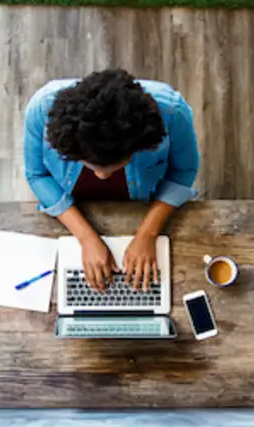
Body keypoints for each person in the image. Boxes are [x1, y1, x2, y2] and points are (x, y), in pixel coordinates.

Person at [23, 68, 200, 293]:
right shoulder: (41, 109)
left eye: (114, 166)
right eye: (92, 166)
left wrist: (148, 233)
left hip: (141, 198)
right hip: (69, 198)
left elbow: (184, 171)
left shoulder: (173, 112)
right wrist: (86, 237)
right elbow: (37, 175)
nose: (102, 177)